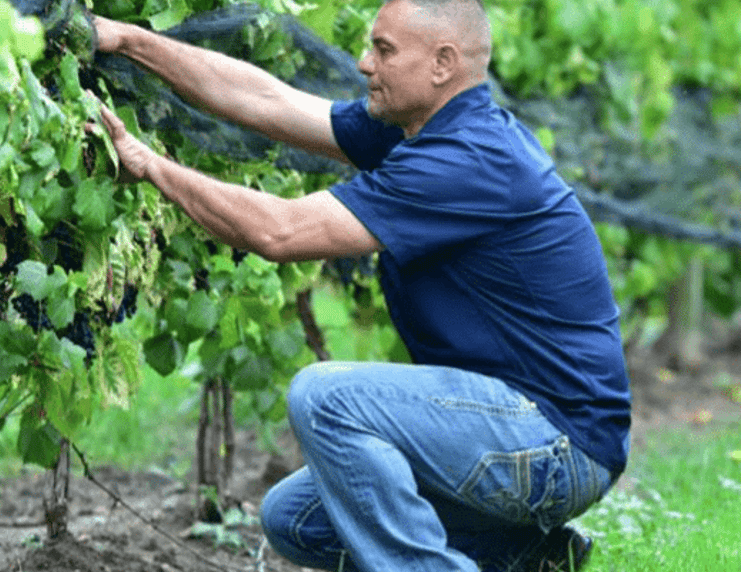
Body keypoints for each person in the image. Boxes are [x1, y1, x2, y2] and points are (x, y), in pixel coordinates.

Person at [91, 0, 632, 570]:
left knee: (327, 396)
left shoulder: (468, 159)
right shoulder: (422, 132)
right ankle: (527, 556)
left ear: (443, 63)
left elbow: (278, 232)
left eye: (384, 50)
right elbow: (266, 101)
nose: (363, 63)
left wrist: (152, 166)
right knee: (295, 519)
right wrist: (128, 40)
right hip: (513, 429)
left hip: (555, 442)